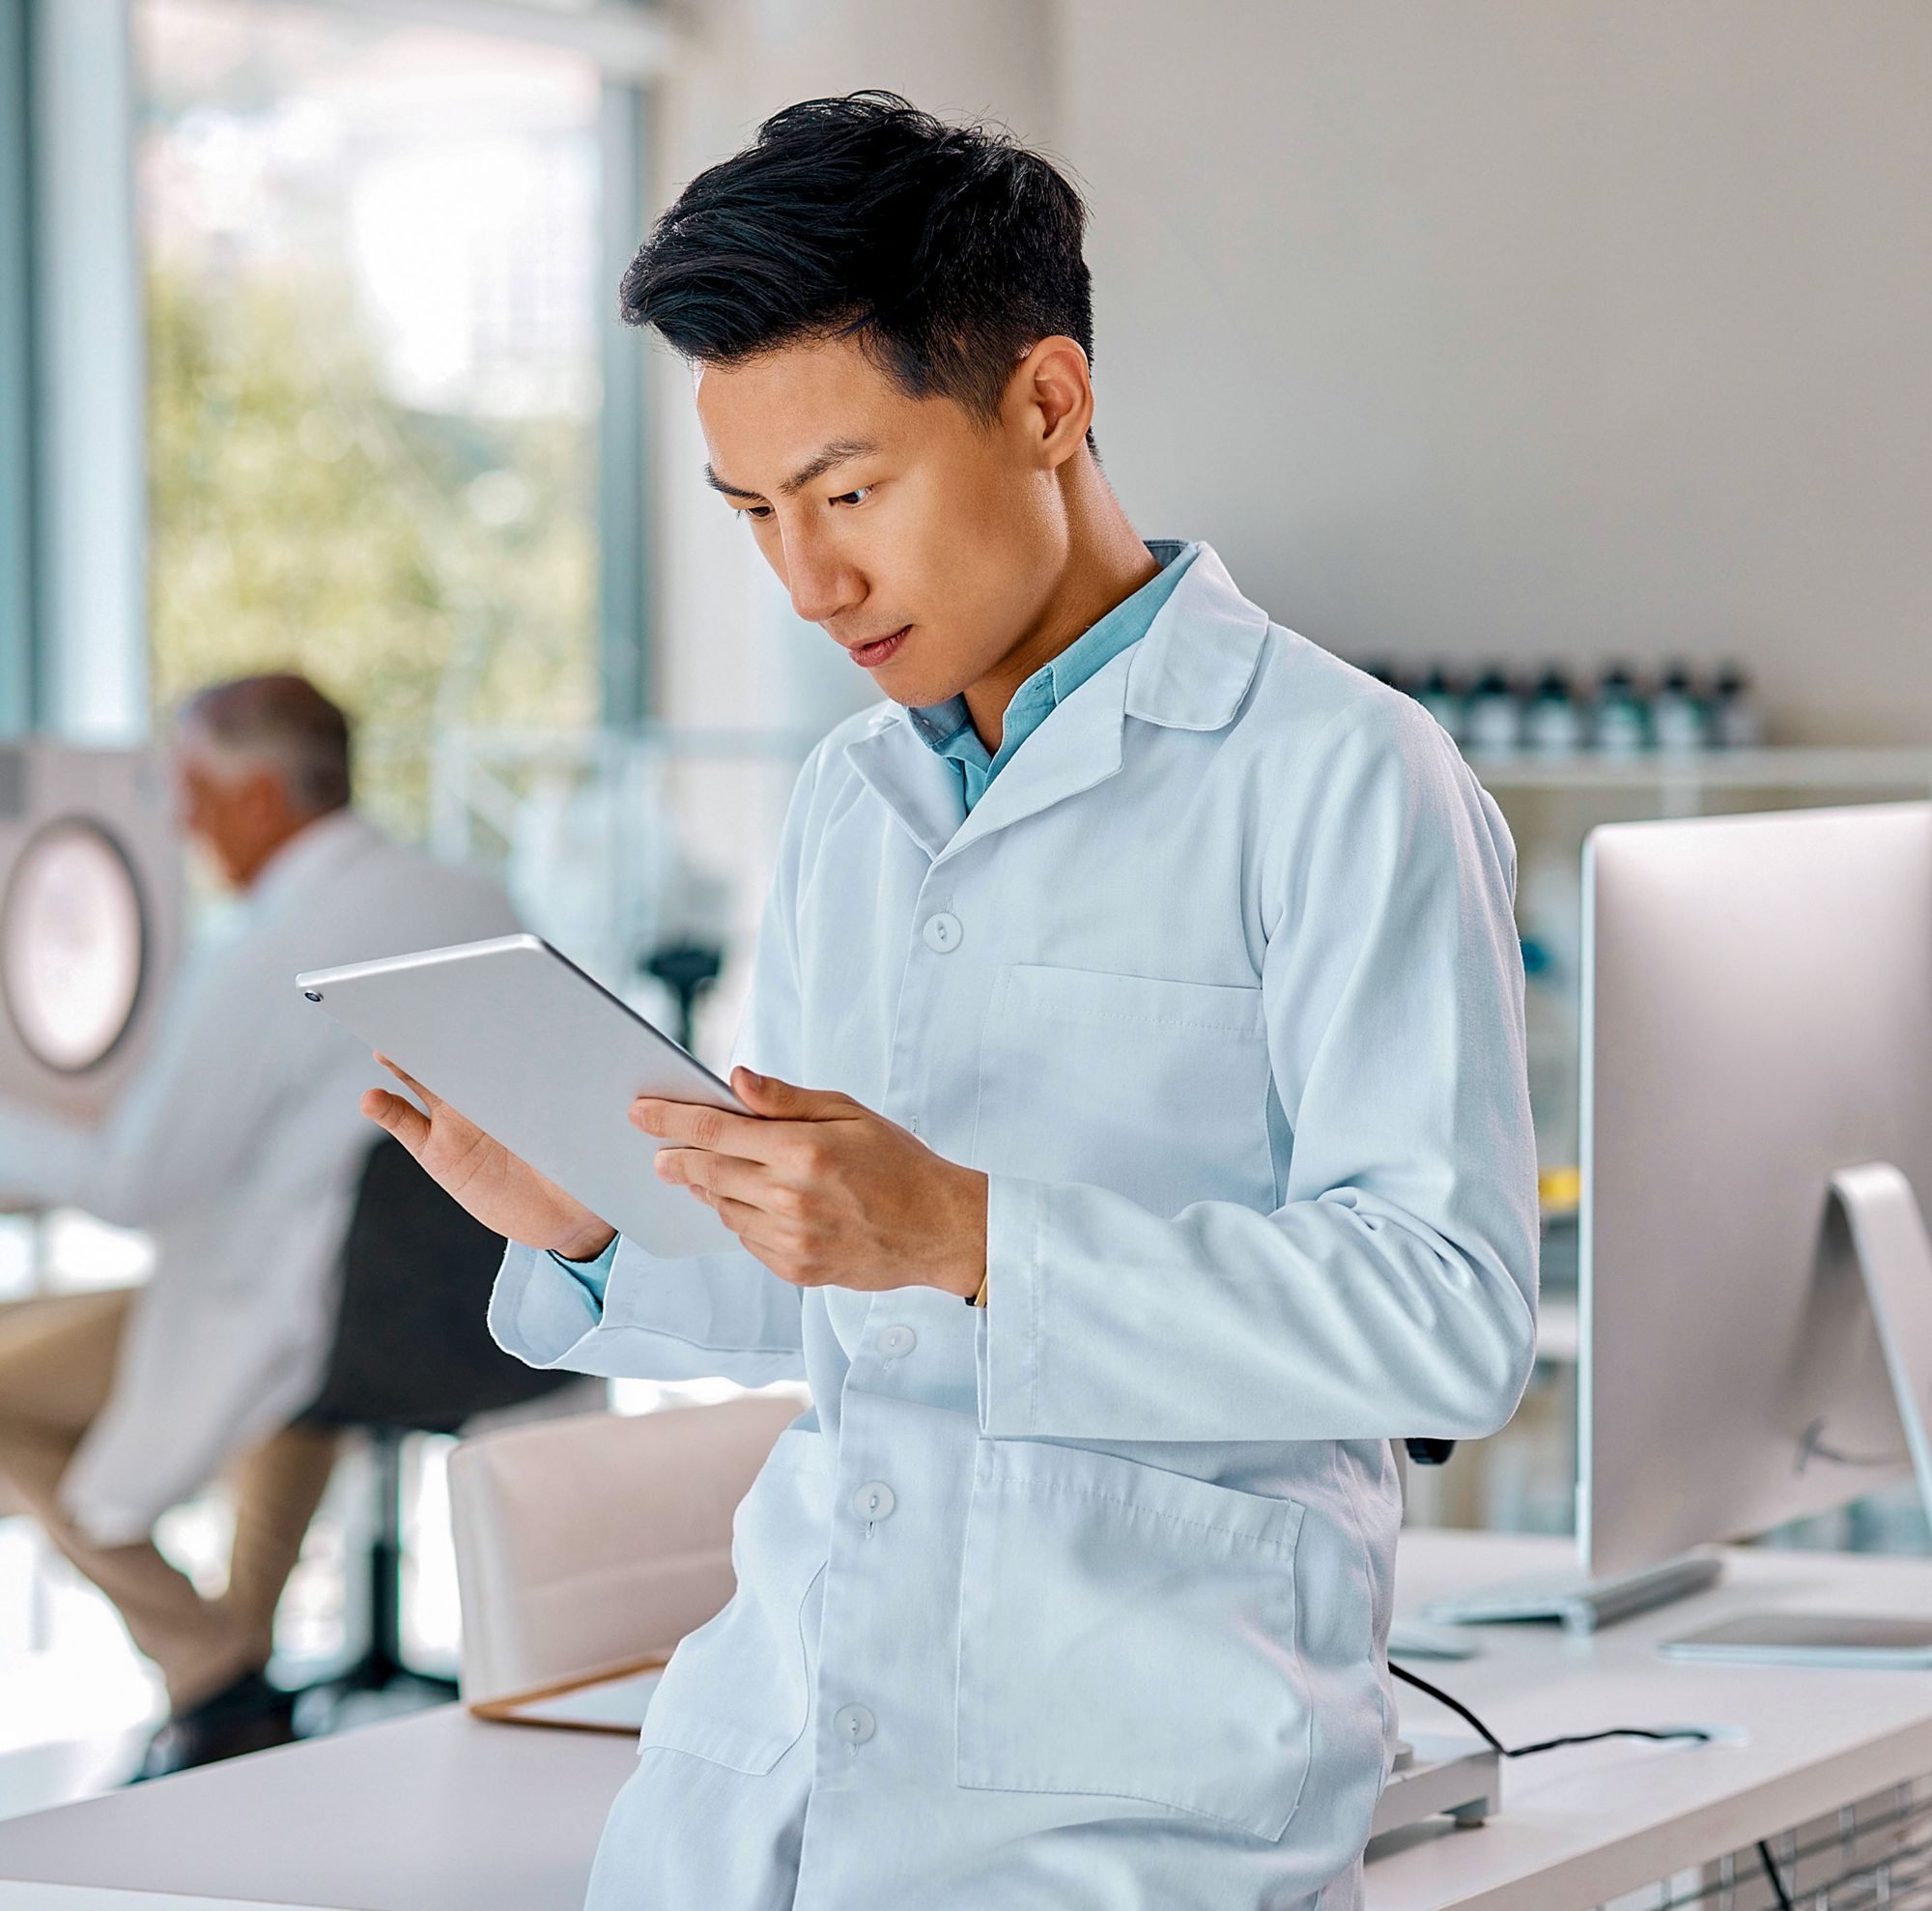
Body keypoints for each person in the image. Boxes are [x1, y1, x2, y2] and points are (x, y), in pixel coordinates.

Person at [367, 95, 1539, 1911]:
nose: (807, 577)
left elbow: (1450, 1320)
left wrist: (977, 1232)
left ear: (1048, 405)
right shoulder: (855, 798)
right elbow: (859, 1294)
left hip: (1133, 1787)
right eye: (754, 511)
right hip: (765, 1767)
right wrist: (594, 1223)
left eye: (849, 493)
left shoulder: (1343, 775)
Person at [0, 674, 516, 1773]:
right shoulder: (472, 897)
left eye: (193, 791)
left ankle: (211, 1668)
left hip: (310, 1313)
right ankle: (237, 1665)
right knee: (283, 1351)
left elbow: (133, 1184)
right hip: (458, 1316)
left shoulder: (263, 950)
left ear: (263, 798)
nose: (181, 823)